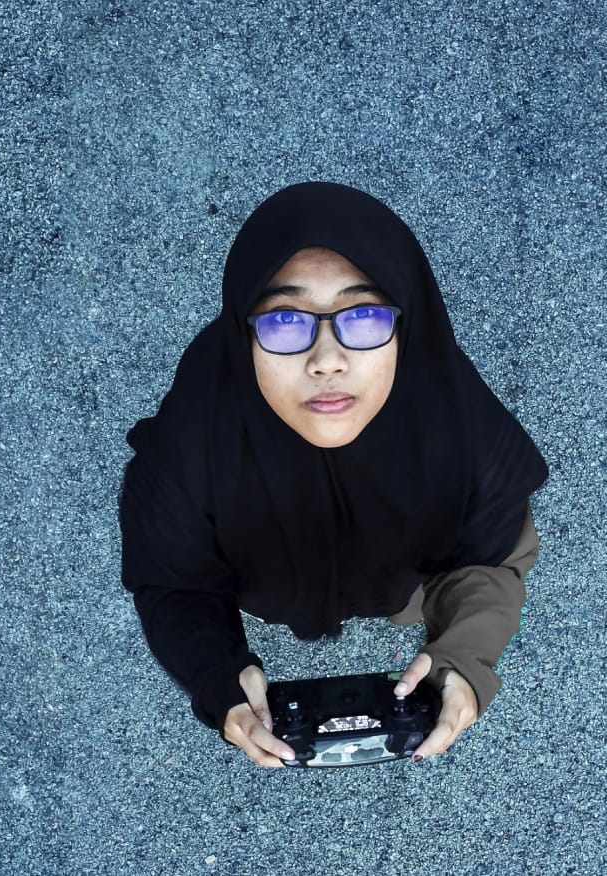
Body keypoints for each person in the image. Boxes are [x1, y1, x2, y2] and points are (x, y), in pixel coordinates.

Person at [118, 181, 548, 767]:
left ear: (409, 325)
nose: (326, 360)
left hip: (402, 589)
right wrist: (214, 672)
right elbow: (173, 579)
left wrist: (465, 657)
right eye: (286, 320)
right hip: (261, 588)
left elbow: (489, 560)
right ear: (244, 333)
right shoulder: (192, 435)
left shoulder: (461, 430)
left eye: (365, 315)